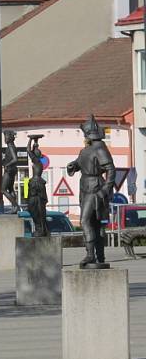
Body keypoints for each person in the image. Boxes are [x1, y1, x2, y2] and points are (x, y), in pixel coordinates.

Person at [67, 114, 115, 268]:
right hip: (85, 187)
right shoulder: (85, 150)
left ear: (89, 134)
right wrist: (73, 166)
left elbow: (110, 169)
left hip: (95, 188)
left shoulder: (100, 148)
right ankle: (99, 256)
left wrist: (105, 189)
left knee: (86, 221)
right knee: (94, 223)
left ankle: (90, 255)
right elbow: (79, 163)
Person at [27, 136, 48, 237]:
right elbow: (30, 151)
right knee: (34, 209)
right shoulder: (37, 161)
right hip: (36, 184)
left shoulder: (37, 161)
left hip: (36, 184)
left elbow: (28, 150)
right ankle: (40, 228)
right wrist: (35, 142)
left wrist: (30, 139)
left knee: (36, 209)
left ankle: (40, 229)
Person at [1, 131, 20, 211]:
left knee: (3, 189)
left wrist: (7, 165)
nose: (5, 139)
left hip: (9, 170)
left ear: (10, 138)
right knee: (11, 189)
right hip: (12, 170)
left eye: (6, 137)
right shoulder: (11, 146)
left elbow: (15, 159)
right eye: (4, 137)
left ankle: (15, 205)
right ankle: (14, 207)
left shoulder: (11, 146)